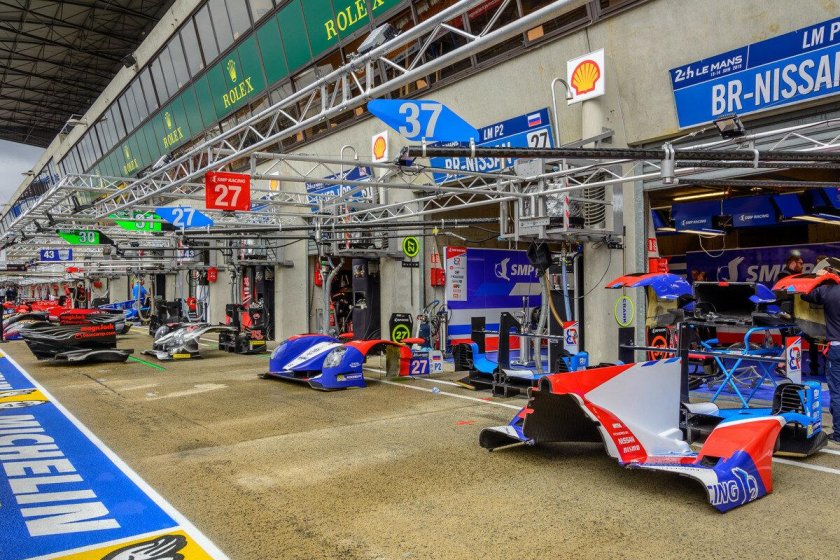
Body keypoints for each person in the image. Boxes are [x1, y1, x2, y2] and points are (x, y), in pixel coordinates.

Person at [802, 268, 840, 445]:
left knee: (837, 391)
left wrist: (818, 279)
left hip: (837, 348)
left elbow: (804, 294)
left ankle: (839, 433)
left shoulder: (826, 291)